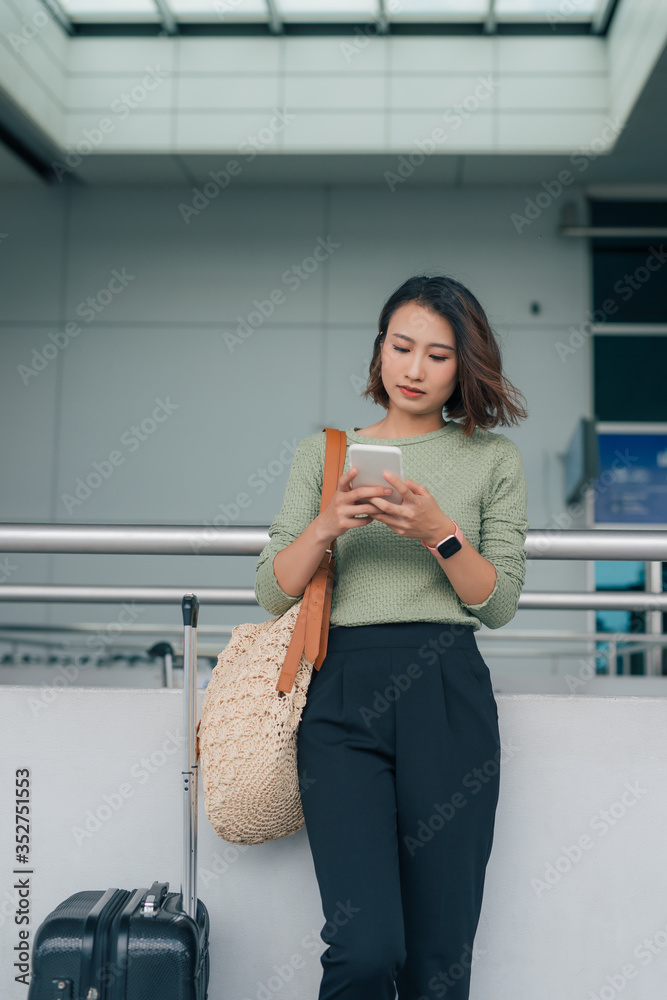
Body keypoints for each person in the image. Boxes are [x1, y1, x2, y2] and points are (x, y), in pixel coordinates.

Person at [254, 273, 530, 1000]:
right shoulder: (326, 452)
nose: (414, 369)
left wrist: (438, 533)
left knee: (439, 959)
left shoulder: (491, 460)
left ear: (462, 367)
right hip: (341, 697)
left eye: (437, 355)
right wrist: (327, 525)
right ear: (378, 352)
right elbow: (271, 588)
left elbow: (497, 603)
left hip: (447, 693)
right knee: (365, 946)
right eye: (401, 347)